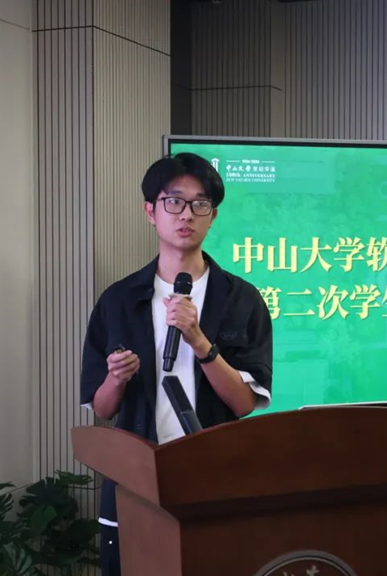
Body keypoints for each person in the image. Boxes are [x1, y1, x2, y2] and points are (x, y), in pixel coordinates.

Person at [79, 152, 273, 575]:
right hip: (135, 478)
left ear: (213, 215)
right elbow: (104, 408)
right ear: (151, 211)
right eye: (174, 201)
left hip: (215, 477)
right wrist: (116, 378)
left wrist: (200, 342)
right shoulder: (118, 300)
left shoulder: (242, 299)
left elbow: (243, 404)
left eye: (199, 204)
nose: (186, 214)